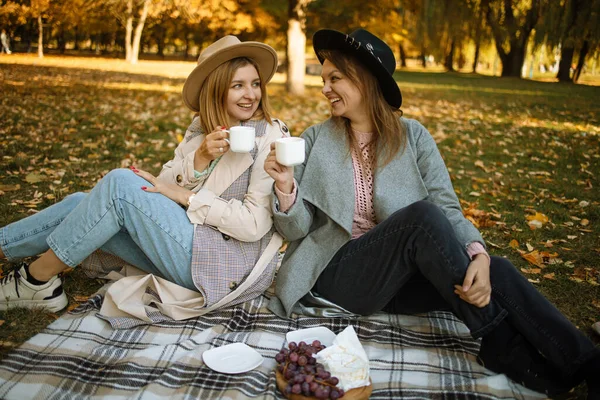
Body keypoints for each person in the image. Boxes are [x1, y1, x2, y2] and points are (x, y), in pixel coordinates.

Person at [264, 28, 599, 397]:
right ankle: (502, 345)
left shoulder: (414, 136)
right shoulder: (314, 139)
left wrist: (479, 253)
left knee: (496, 270)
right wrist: (284, 187)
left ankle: (583, 363)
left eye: (335, 78)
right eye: (324, 80)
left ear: (367, 80)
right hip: (341, 275)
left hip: (402, 280)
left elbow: (446, 205)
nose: (325, 89)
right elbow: (297, 230)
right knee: (420, 218)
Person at [0, 35, 288, 316]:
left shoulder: (270, 135)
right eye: (238, 85)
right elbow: (162, 184)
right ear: (215, 90)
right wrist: (199, 158)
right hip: (188, 244)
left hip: (226, 266)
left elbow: (252, 225)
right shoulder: (200, 129)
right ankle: (4, 249)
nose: (251, 95)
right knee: (82, 202)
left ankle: (34, 280)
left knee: (119, 185)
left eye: (254, 84)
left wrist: (189, 197)